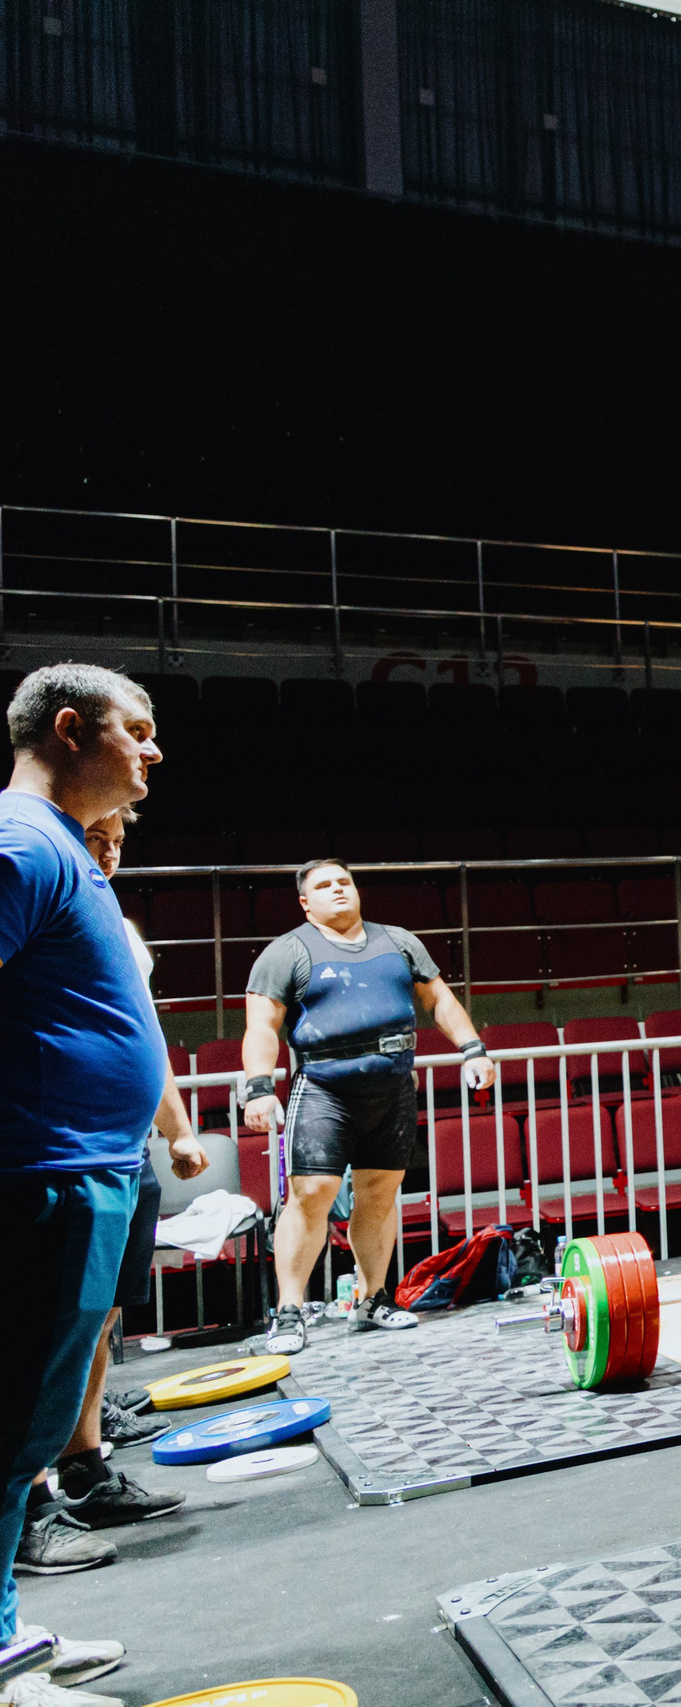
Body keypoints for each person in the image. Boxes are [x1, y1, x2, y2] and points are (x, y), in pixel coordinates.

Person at [1, 663, 169, 1707]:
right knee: (4, 1428)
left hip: (78, 1173)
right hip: (38, 1178)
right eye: (137, 731)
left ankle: (8, 1639)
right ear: (70, 730)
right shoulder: (21, 842)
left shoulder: (60, 848)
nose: (155, 752)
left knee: (19, 1435)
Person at [16, 811, 203, 1583]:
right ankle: (30, 1510)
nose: (114, 842)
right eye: (100, 832)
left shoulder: (114, 922)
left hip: (123, 1151)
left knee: (98, 1321)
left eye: (123, 836)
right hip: (52, 1153)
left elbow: (141, 1033)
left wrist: (179, 1127)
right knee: (32, 1346)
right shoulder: (31, 862)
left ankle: (87, 1467)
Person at [244, 859, 496, 1355]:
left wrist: (473, 1049)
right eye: (324, 885)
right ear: (304, 901)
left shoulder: (399, 941)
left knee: (380, 1195)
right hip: (323, 1089)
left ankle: (374, 1298)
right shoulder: (286, 952)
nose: (338, 890)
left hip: (393, 1087)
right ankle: (290, 1311)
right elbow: (261, 1025)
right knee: (311, 1193)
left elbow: (439, 1000)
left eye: (344, 881)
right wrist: (257, 1086)